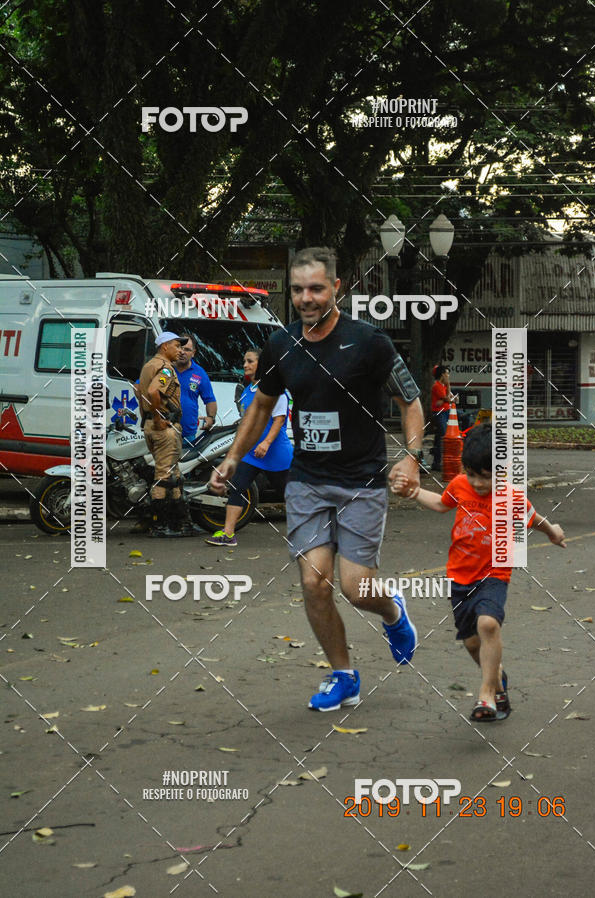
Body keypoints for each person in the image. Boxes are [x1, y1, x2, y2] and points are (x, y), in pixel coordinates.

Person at [210, 246, 425, 712]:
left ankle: (392, 611)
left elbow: (411, 401)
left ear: (336, 289)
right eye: (298, 289)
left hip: (361, 481)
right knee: (314, 584)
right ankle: (344, 675)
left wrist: (410, 457)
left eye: (316, 288)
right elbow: (262, 406)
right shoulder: (281, 345)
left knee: (356, 587)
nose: (306, 298)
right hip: (307, 479)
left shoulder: (369, 342)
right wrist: (231, 458)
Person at [393, 424, 566, 721]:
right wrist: (415, 491)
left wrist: (553, 532)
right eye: (472, 475)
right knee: (472, 642)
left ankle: (486, 694)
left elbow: (534, 519)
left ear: (504, 469)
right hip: (460, 575)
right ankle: (497, 678)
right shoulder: (461, 485)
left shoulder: (512, 497)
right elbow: (441, 504)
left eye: (486, 477)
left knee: (487, 624)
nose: (478, 483)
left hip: (494, 573)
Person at [205, 348, 292, 547]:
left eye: (250, 361)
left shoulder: (274, 390)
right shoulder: (247, 392)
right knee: (237, 488)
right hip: (251, 455)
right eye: (244, 361)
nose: (245, 365)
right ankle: (228, 534)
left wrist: (266, 442)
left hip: (276, 454)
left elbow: (279, 420)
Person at [135, 331, 199, 537]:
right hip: (164, 428)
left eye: (182, 347)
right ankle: (160, 525)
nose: (180, 350)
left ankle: (182, 522)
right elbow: (154, 392)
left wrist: (148, 417)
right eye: (176, 346)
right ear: (164, 347)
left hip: (151, 427)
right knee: (164, 476)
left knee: (174, 475)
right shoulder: (166, 370)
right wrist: (158, 416)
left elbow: (139, 391)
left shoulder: (148, 366)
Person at [174, 333, 218, 447]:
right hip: (163, 432)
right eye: (180, 348)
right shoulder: (164, 367)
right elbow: (140, 386)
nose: (182, 352)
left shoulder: (199, 373)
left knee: (185, 464)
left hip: (187, 436)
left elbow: (210, 400)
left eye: (187, 349)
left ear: (193, 353)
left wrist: (211, 418)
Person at [430, 364, 452, 471]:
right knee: (443, 436)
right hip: (440, 413)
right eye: (447, 373)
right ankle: (438, 461)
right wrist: (448, 385)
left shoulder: (442, 386)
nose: (448, 375)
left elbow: (450, 399)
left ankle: (436, 462)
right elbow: (448, 398)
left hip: (446, 411)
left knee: (439, 437)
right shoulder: (437, 386)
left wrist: (444, 400)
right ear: (442, 374)